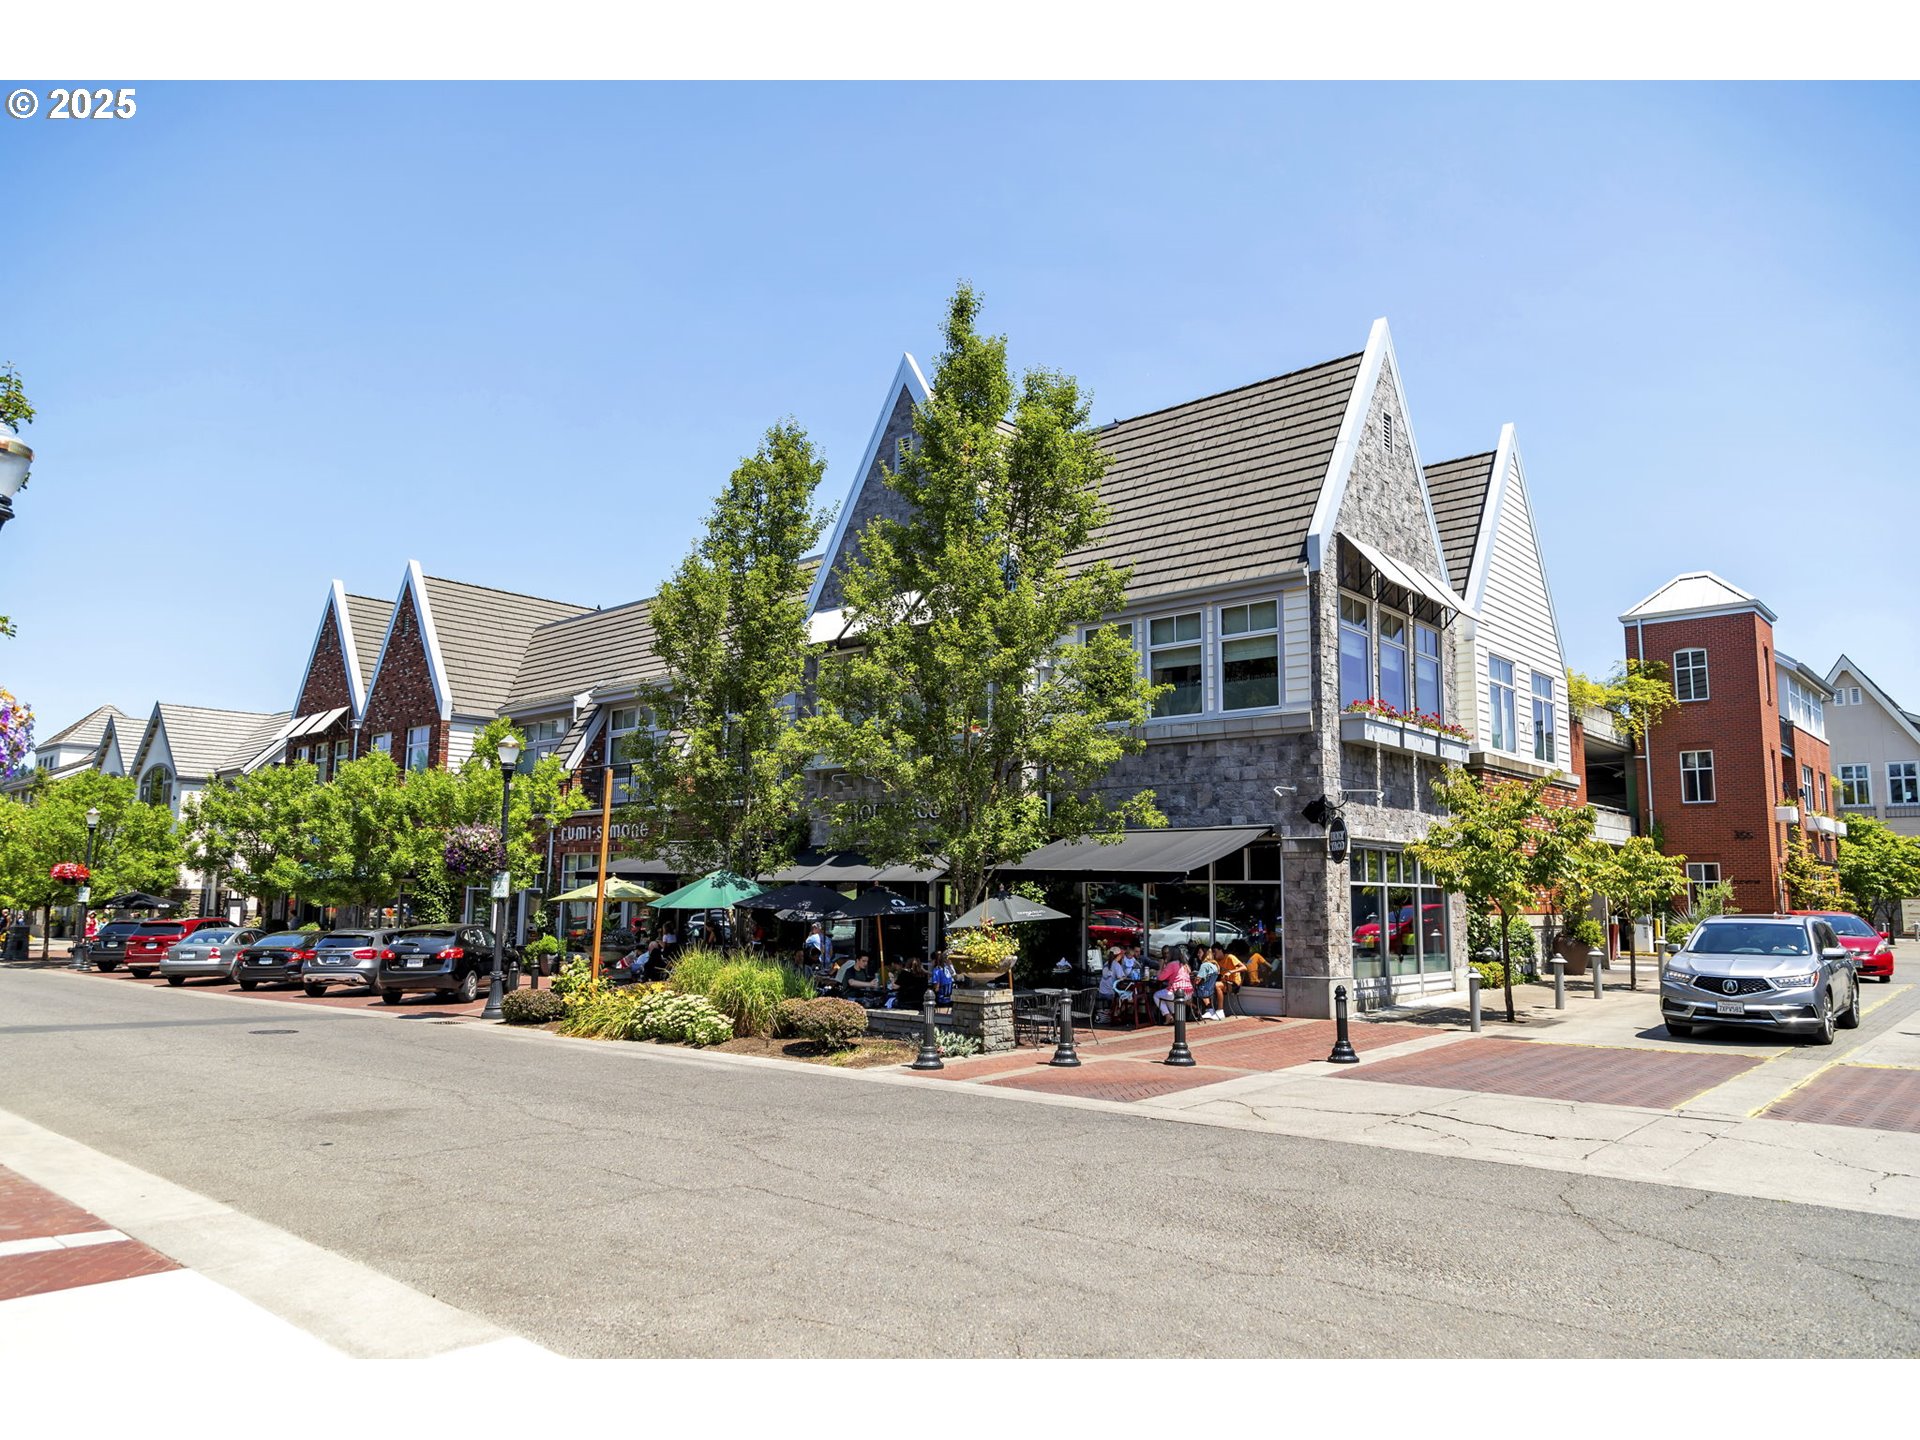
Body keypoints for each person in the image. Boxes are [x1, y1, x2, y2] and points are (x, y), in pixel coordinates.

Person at [1155, 945, 1194, 1021]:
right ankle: (1174, 1016)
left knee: (1156, 995)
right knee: (1166, 996)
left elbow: (1160, 978)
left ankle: (1168, 1015)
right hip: (1188, 993)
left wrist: (1160, 966)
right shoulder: (1185, 965)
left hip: (1178, 993)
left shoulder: (1172, 964)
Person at [1192, 947, 1222, 1020]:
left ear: (1205, 954)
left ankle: (1196, 1012)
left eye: (1200, 952)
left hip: (1202, 991)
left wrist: (1193, 980)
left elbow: (1197, 981)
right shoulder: (1215, 965)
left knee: (1185, 993)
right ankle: (1208, 1010)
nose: (1198, 954)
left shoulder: (1204, 965)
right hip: (1211, 990)